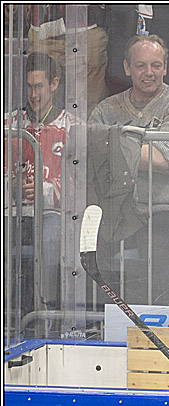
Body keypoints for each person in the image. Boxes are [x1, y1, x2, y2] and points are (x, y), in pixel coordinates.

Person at [88, 34, 169, 306]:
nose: (150, 73)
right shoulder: (105, 109)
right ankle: (102, 325)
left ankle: (159, 326)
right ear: (127, 68)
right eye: (141, 66)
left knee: (160, 258)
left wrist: (112, 145)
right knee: (89, 249)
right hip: (116, 207)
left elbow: (165, 160)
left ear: (166, 67)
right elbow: (89, 156)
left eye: (156, 65)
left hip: (162, 208)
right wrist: (136, 150)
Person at [5, 52, 76, 319]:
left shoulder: (72, 126)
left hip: (50, 215)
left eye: (40, 86)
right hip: (12, 212)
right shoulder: (8, 124)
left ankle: (46, 311)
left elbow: (75, 185)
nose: (33, 94)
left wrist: (44, 190)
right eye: (29, 86)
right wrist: (11, 184)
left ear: (54, 84)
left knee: (50, 234)